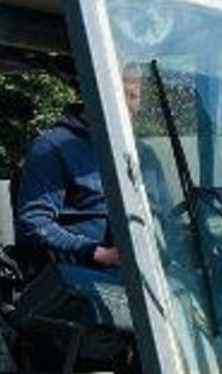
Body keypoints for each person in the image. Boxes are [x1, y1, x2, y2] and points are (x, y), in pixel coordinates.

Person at [12, 67, 146, 273]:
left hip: (146, 275)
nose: (126, 105)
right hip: (81, 274)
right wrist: (98, 253)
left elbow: (165, 218)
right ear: (93, 92)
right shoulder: (52, 148)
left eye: (133, 96)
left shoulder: (144, 154)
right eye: (119, 94)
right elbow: (33, 222)